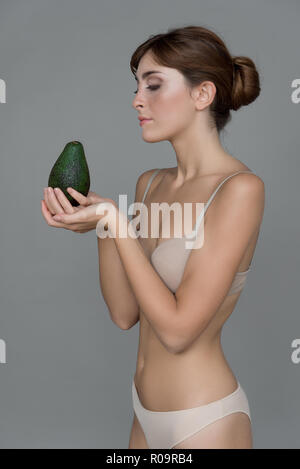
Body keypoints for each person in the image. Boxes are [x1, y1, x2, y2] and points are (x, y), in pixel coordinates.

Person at [41, 24, 265, 449]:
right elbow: (125, 315)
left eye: (154, 85)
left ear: (203, 95)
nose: (137, 100)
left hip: (205, 419)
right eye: (137, 85)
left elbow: (179, 332)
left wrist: (118, 222)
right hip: (144, 416)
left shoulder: (239, 190)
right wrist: (107, 227)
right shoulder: (149, 184)